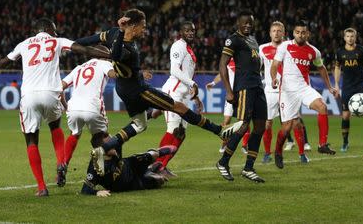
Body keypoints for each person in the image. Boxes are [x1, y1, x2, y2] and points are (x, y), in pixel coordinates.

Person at [76, 9, 241, 176]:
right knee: (179, 108)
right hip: (138, 91)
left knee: (140, 125)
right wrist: (120, 31)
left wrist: (72, 44)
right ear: (132, 26)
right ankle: (219, 131)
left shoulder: (112, 34)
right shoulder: (126, 46)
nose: (145, 30)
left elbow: (91, 39)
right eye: (143, 26)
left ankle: (103, 149)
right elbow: (117, 56)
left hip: (124, 89)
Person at [0, 18, 110, 196]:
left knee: (31, 140)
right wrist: (109, 55)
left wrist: (13, 59)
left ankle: (42, 187)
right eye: (54, 30)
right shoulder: (57, 41)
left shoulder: (24, 44)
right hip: (51, 92)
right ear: (49, 29)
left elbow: (3, 63)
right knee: (55, 127)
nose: (56, 33)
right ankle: (61, 162)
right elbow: (83, 49)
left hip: (29, 95)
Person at [270, 20, 337, 169]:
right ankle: (278, 152)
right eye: (298, 32)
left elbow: (321, 68)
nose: (300, 35)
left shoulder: (314, 51)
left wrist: (330, 87)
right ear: (293, 33)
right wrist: (274, 78)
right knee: (287, 127)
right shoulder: (284, 47)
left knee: (322, 107)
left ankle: (322, 144)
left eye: (303, 32)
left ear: (308, 34)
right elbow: (274, 65)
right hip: (287, 91)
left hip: (304, 88)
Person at [216, 10, 267, 183]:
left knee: (260, 127)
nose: (248, 25)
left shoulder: (253, 40)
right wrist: (229, 91)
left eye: (250, 23)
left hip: (258, 86)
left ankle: (249, 168)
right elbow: (222, 64)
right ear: (238, 23)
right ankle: (223, 162)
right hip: (244, 87)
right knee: (243, 126)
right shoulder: (233, 39)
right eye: (244, 22)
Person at [155, 21, 205, 177]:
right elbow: (174, 70)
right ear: (181, 32)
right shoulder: (179, 45)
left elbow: (187, 75)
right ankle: (156, 166)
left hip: (182, 95)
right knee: (173, 130)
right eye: (187, 30)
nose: (190, 33)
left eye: (193, 31)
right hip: (173, 93)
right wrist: (192, 83)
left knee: (181, 133)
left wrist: (195, 96)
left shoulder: (189, 49)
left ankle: (162, 165)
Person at [259, 21, 310, 163]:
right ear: (270, 33)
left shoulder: (290, 47)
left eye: (279, 30)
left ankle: (302, 153)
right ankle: (267, 153)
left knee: (295, 122)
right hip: (270, 91)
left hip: (288, 91)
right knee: (267, 123)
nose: (276, 33)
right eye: (274, 30)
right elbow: (257, 69)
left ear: (284, 33)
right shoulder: (262, 48)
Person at [61, 57, 115, 173]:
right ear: (105, 56)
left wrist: (65, 105)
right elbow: (112, 74)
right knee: (100, 137)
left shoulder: (79, 68)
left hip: (73, 107)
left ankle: (63, 165)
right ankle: (100, 170)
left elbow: (60, 87)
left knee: (74, 134)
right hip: (92, 106)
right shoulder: (104, 63)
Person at [81, 142, 177, 196]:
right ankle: (151, 170)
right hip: (130, 184)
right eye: (109, 143)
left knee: (151, 155)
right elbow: (85, 189)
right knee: (159, 181)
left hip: (131, 164)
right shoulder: (95, 166)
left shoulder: (115, 148)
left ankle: (157, 155)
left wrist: (149, 115)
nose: (113, 143)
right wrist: (97, 192)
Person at [206, 58, 251, 155]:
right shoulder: (228, 60)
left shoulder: (244, 59)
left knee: (243, 120)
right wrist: (213, 83)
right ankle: (224, 143)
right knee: (226, 121)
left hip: (243, 93)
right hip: (231, 95)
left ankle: (244, 145)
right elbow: (222, 74)